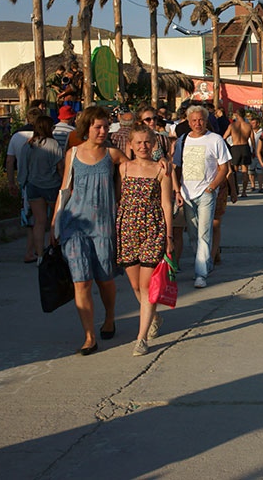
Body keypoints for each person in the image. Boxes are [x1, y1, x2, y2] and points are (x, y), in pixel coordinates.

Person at [53, 106, 128, 355]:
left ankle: (109, 317)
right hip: (74, 225)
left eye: (106, 126)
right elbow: (64, 190)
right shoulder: (72, 154)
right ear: (87, 127)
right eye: (98, 126)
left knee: (105, 279)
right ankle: (89, 336)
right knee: (81, 280)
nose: (103, 131)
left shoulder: (113, 155)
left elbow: (139, 171)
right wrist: (55, 225)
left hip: (104, 226)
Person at [116, 125, 173, 356]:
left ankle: (141, 338)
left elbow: (167, 204)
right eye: (138, 143)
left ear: (154, 144)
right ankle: (154, 316)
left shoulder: (162, 170)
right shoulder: (123, 169)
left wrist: (169, 237)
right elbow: (120, 198)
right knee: (134, 285)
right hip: (128, 229)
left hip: (153, 229)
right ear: (130, 145)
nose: (143, 147)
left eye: (147, 142)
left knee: (146, 285)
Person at [172, 104, 232, 289]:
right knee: (192, 233)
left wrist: (212, 187)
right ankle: (205, 264)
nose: (198, 123)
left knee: (204, 233)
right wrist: (177, 190)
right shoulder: (182, 141)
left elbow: (224, 168)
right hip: (187, 193)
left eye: (201, 120)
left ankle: (201, 274)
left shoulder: (215, 140)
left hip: (206, 193)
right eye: (194, 120)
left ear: (206, 121)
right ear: (188, 122)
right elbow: (175, 168)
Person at [18, 114, 64, 262]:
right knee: (55, 220)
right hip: (51, 185)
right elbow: (60, 167)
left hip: (33, 185)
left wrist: (22, 183)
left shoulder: (28, 145)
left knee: (39, 221)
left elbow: (22, 168)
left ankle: (39, 255)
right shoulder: (53, 144)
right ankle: (56, 250)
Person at [7, 106, 45, 263]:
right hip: (44, 181)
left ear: (27, 118)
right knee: (42, 219)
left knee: (30, 219)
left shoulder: (16, 136)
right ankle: (39, 251)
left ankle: (31, 251)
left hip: (25, 183)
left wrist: (11, 182)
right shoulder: (45, 136)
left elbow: (10, 161)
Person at [224, 111, 253, 197]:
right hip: (245, 147)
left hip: (235, 147)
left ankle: (235, 189)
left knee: (234, 170)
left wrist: (229, 146)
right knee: (245, 171)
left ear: (237, 115)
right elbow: (252, 140)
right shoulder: (248, 126)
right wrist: (253, 150)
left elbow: (224, 137)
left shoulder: (232, 126)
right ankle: (244, 191)